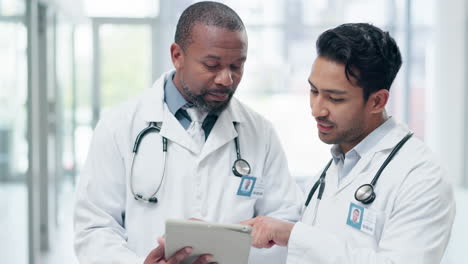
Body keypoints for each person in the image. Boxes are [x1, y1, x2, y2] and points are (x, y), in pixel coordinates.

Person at [73, 2, 302, 263]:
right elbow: (95, 228)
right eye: (212, 65)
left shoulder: (260, 132)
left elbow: (285, 224)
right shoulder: (118, 126)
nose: (226, 79)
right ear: (177, 56)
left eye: (237, 66)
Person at [242, 23, 455, 264]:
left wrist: (294, 235)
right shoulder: (333, 170)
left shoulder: (421, 177)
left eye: (335, 98)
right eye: (314, 91)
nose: (317, 109)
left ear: (377, 101)